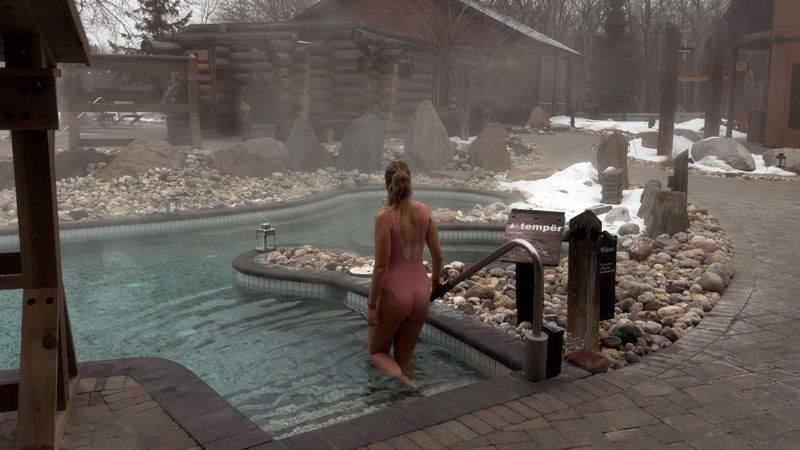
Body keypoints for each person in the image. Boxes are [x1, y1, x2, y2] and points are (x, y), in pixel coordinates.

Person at [367, 161, 442, 390]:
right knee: (405, 356)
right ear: (410, 181)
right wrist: (435, 285)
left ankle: (405, 384)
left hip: (394, 292)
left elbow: (381, 268)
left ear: (386, 184)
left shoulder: (384, 217)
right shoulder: (424, 212)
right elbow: (438, 257)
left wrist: (372, 304)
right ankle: (411, 392)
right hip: (420, 292)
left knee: (378, 352)